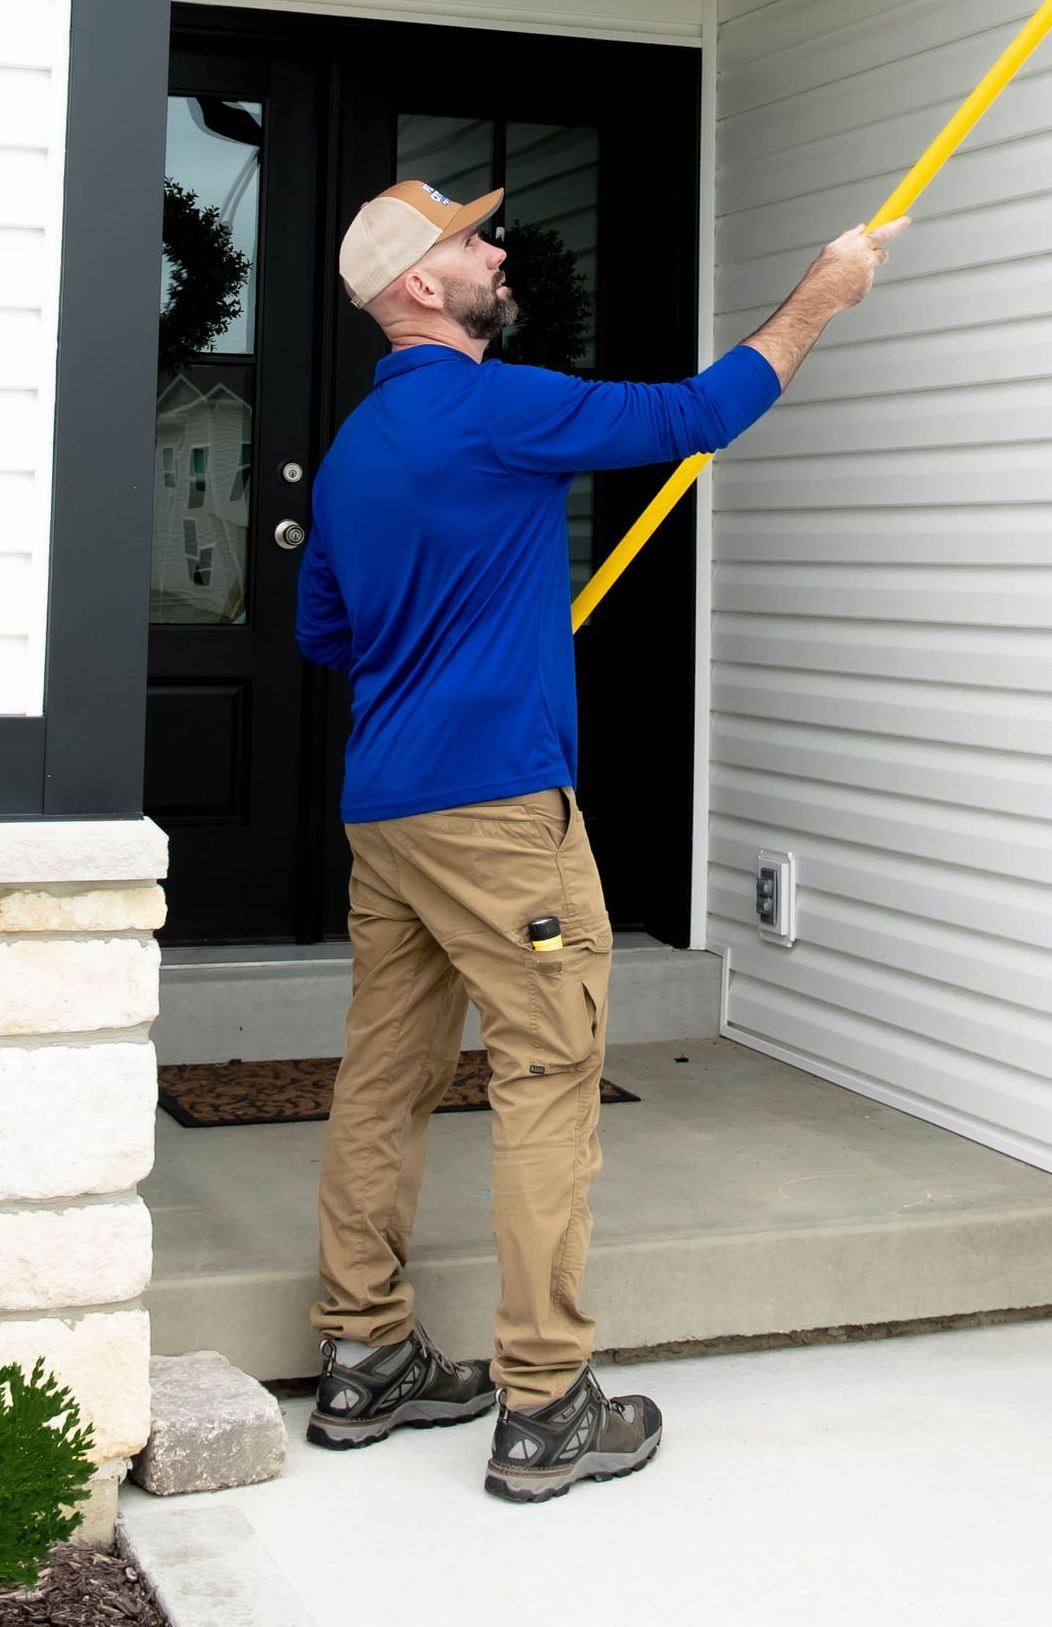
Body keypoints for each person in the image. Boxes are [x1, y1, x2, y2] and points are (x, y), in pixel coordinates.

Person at [293, 174, 908, 1505]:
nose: (497, 247)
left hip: (388, 815)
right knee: (548, 1075)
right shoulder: (491, 409)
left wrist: (460, 614)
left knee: (385, 1080)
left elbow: (328, 637)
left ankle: (363, 1357)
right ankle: (545, 1402)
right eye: (471, 240)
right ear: (418, 287)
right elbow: (704, 410)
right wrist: (823, 294)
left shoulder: (352, 455)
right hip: (501, 819)